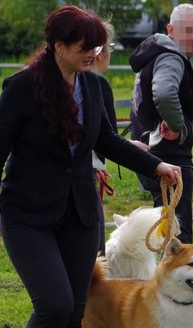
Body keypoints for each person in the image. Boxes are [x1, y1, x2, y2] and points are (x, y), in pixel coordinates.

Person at [0, 5, 180, 328]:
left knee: (74, 312)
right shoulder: (21, 88)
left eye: (97, 47)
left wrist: (155, 165)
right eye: (85, 47)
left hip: (79, 214)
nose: (94, 54)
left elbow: (104, 138)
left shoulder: (91, 86)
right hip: (26, 216)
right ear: (58, 47)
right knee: (54, 304)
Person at [129, 3, 193, 244]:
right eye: (189, 30)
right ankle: (181, 282)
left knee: (168, 232)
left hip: (151, 151)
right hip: (168, 156)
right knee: (178, 238)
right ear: (171, 29)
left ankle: (164, 280)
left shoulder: (157, 53)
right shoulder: (171, 56)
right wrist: (177, 125)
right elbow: (163, 93)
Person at [90, 18, 117, 255]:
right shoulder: (99, 86)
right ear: (99, 53)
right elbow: (108, 140)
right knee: (95, 256)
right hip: (82, 183)